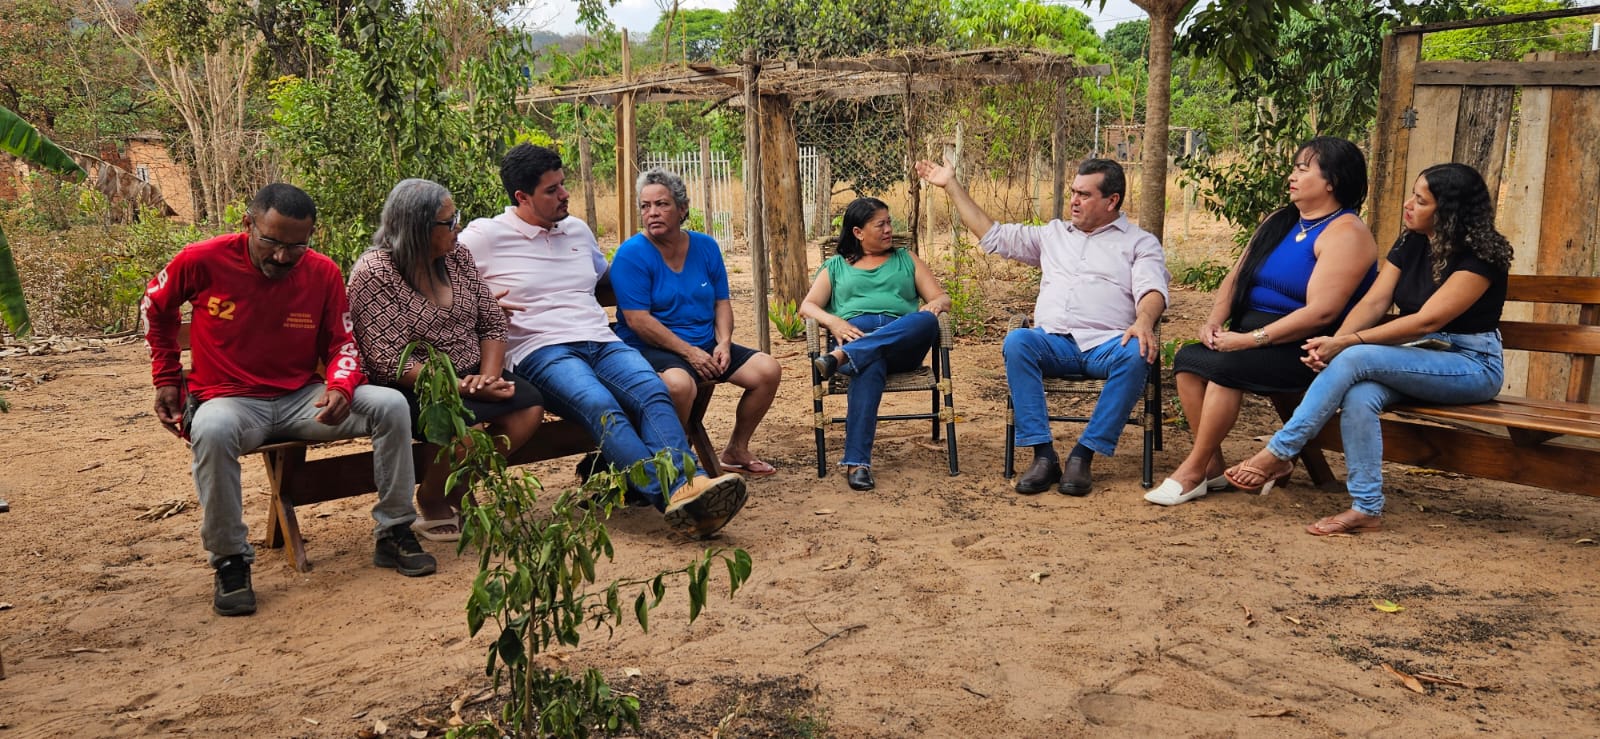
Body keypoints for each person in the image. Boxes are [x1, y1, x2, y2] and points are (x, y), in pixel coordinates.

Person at [143, 183, 435, 618]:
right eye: (272, 242)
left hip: (302, 398)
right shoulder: (201, 259)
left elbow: (343, 343)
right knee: (211, 428)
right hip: (231, 400)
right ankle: (230, 560)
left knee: (390, 405)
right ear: (248, 224)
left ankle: (394, 531)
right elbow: (155, 306)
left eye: (296, 247)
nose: (282, 256)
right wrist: (167, 375)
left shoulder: (321, 272)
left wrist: (339, 386)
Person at [457, 144, 747, 538]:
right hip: (541, 350)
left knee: (652, 393)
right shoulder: (484, 236)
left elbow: (607, 279)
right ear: (521, 197)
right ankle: (673, 495)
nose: (565, 195)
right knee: (601, 406)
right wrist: (481, 302)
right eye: (552, 190)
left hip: (601, 339)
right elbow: (438, 279)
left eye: (564, 184)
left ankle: (692, 482)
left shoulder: (576, 229)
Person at [1226, 163, 1513, 536]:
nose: (1409, 205)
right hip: (1417, 355)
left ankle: (1281, 452)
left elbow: (1427, 320)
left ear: (1449, 212)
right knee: (1361, 395)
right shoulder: (1411, 241)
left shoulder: (1481, 255)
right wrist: (1333, 343)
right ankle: (1366, 507)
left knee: (1357, 356)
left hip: (1471, 364)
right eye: (1412, 194)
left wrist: (1345, 344)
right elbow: (1374, 303)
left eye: (1421, 200)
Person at [1146, 137, 1379, 506]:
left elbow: (1322, 313)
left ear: (1332, 180)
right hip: (1249, 332)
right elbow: (1237, 277)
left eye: (1303, 169)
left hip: (1303, 347)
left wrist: (1250, 339)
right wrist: (1215, 321)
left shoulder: (1347, 233)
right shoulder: (1280, 221)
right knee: (1190, 360)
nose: (1293, 176)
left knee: (1228, 367)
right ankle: (1211, 466)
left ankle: (1192, 467)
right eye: (1294, 168)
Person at [917, 157, 1168, 496]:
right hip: (1054, 344)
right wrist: (951, 185)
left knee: (1137, 354)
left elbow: (1153, 290)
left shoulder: (1139, 243)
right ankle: (1043, 455)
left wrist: (1144, 320)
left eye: (1084, 194)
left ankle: (1083, 454)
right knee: (1019, 341)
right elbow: (992, 235)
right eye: (1073, 192)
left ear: (1112, 201)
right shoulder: (1053, 235)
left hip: (1107, 344)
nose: (1074, 201)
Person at [347, 179, 545, 542]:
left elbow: (490, 319)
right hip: (413, 381)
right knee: (462, 428)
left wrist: (486, 379)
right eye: (449, 222)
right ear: (419, 229)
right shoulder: (375, 273)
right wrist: (456, 387)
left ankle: (459, 486)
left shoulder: (457, 256)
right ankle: (432, 496)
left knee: (527, 407)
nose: (458, 229)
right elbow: (387, 360)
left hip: (470, 370)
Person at [609, 168, 783, 476]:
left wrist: (724, 342)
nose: (652, 213)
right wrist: (689, 352)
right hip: (651, 346)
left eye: (661, 204)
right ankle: (671, 460)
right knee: (678, 385)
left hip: (704, 342)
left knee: (767, 371)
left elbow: (721, 303)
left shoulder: (705, 247)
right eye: (645, 206)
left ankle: (736, 449)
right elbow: (638, 321)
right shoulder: (631, 255)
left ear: (682, 208)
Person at [800, 197, 951, 492]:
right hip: (855, 334)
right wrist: (834, 322)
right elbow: (808, 307)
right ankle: (857, 463)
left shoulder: (906, 259)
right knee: (869, 363)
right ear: (858, 232)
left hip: (902, 343)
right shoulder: (835, 267)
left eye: (888, 222)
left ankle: (843, 356)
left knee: (926, 321)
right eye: (880, 224)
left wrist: (933, 307)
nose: (888, 230)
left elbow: (941, 298)